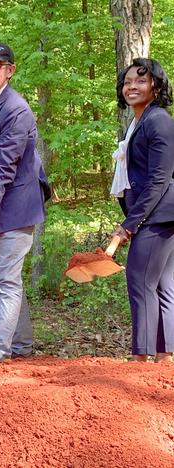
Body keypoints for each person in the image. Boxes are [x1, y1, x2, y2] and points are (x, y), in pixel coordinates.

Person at [0, 43, 49, 362]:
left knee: (5, 280)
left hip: (16, 208)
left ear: (10, 71)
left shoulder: (16, 109)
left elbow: (2, 168)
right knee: (8, 278)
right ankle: (22, 346)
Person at [111, 58, 174, 363]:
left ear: (156, 86)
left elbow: (159, 178)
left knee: (140, 281)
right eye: (127, 82)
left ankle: (141, 359)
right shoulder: (139, 121)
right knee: (163, 286)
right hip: (161, 215)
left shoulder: (158, 120)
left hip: (158, 216)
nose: (131, 87)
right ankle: (163, 358)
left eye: (140, 81)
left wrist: (130, 224)